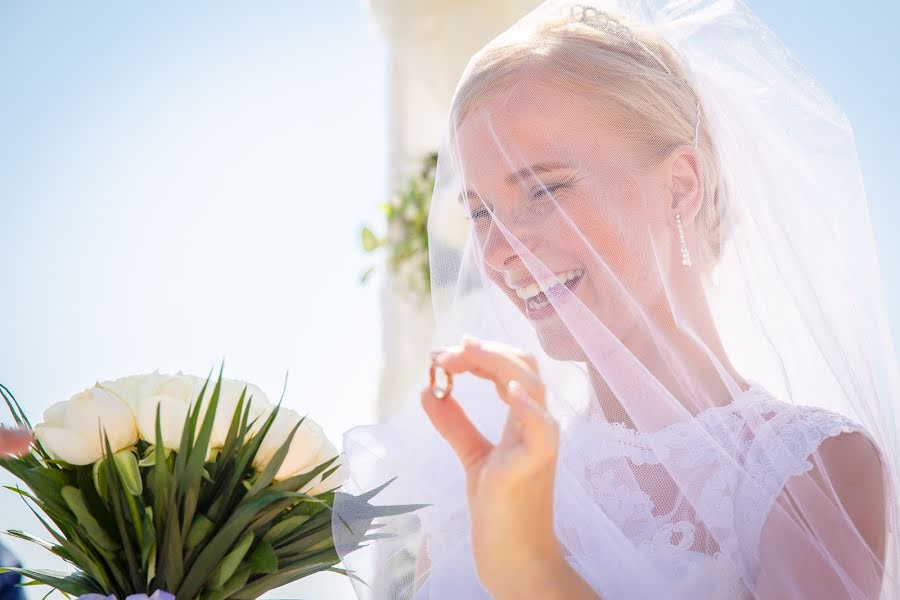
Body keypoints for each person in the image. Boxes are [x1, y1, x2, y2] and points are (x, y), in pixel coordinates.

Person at [333, 1, 900, 598]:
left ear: (681, 185)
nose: (499, 251)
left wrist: (532, 573)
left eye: (544, 191)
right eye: (480, 214)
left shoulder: (812, 472)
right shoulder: (481, 488)